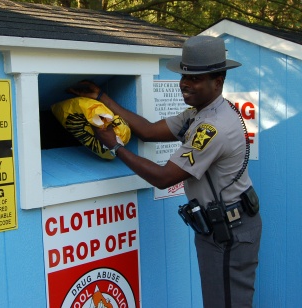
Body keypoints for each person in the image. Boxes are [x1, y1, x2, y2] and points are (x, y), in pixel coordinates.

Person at [68, 35, 262, 308]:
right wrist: (102, 97)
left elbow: (163, 178)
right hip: (220, 226)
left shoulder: (213, 127)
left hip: (231, 230)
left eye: (195, 78)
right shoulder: (198, 112)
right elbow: (148, 131)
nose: (185, 84)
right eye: (184, 76)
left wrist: (115, 146)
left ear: (217, 82)